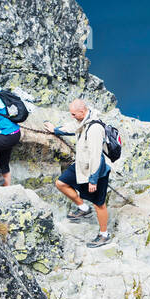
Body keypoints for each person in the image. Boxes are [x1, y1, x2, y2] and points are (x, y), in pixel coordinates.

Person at [44, 99, 113, 248]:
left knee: (99, 203)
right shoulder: (83, 121)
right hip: (81, 166)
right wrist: (55, 129)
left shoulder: (94, 129)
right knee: (61, 183)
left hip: (95, 171)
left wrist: (93, 180)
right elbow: (72, 127)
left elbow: (96, 157)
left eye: (74, 114)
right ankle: (83, 208)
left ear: (82, 112)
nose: (72, 116)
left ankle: (104, 235)